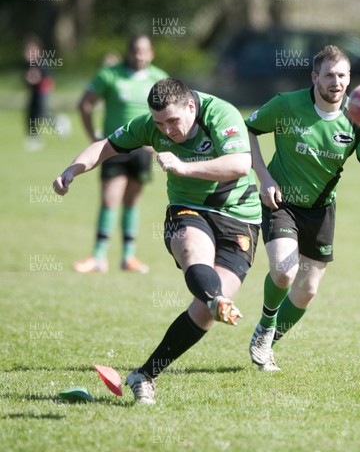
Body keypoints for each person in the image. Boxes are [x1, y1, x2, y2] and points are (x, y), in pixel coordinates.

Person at [53, 78, 262, 404]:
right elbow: (106, 146)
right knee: (196, 256)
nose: (166, 130)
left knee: (205, 312)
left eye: (173, 121)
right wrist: (71, 170)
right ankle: (213, 298)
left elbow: (239, 164)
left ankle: (144, 374)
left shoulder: (221, 114)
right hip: (188, 210)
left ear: (191, 107)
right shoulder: (150, 125)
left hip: (241, 216)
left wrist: (182, 166)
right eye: (159, 123)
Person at [246, 45, 360, 371]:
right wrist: (264, 177)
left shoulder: (358, 121)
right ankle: (266, 326)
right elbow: (247, 130)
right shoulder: (286, 104)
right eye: (328, 75)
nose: (335, 82)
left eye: (342, 75)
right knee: (284, 271)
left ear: (349, 79)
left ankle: (267, 340)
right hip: (280, 201)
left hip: (321, 209)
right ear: (315, 77)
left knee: (307, 290)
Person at [73, 35, 168, 274]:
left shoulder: (159, 78)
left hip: (143, 151)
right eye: (135, 51)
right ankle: (98, 256)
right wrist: (94, 136)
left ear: (151, 53)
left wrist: (160, 143)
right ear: (128, 52)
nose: (139, 55)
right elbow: (85, 104)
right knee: (110, 198)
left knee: (132, 201)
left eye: (143, 51)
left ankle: (128, 257)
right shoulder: (110, 75)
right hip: (115, 148)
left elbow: (172, 113)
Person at [23, 34, 54, 152]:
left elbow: (46, 76)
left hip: (43, 91)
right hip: (35, 92)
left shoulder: (42, 62)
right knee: (32, 113)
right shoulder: (28, 63)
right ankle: (33, 137)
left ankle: (59, 124)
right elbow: (26, 78)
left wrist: (35, 79)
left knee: (42, 112)